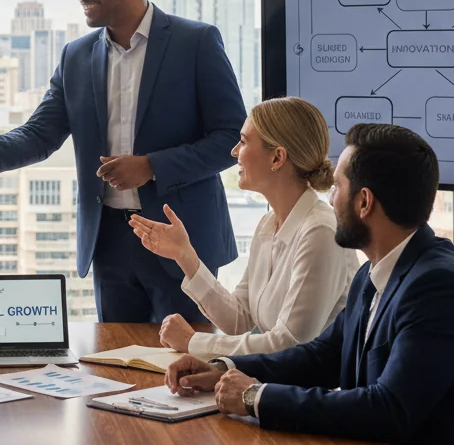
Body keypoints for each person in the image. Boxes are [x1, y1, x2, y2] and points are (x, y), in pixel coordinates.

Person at [165, 123, 454, 445]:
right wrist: (223, 369)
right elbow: (323, 354)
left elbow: (388, 409)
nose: (330, 198)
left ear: (364, 202)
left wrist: (257, 397)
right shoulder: (376, 269)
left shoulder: (438, 288)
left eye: (336, 187)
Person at [0, 0, 246, 323]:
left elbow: (230, 140)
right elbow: (40, 133)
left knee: (185, 368)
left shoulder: (196, 42)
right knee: (116, 367)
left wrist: (151, 165)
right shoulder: (76, 55)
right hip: (109, 244)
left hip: (180, 238)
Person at [130, 97, 356, 357]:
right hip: (275, 384)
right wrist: (186, 256)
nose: (234, 151)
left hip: (311, 392)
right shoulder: (267, 225)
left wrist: (193, 342)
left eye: (244, 141)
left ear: (278, 157)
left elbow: (290, 344)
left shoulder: (321, 232)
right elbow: (239, 320)